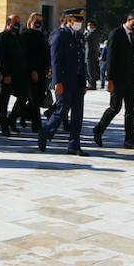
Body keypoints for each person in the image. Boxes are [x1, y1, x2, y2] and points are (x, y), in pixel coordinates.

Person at [38, 8, 90, 156]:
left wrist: (84, 81)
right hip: (65, 80)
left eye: (80, 21)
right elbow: (55, 61)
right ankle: (45, 133)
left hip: (78, 81)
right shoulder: (59, 36)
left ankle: (74, 145)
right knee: (61, 111)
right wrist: (57, 81)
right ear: (69, 21)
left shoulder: (79, 37)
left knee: (78, 115)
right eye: (77, 21)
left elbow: (82, 61)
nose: (79, 24)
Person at [94, 9, 134, 150]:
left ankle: (130, 140)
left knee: (131, 111)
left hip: (131, 79)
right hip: (118, 79)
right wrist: (109, 79)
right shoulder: (116, 33)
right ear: (128, 20)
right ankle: (99, 129)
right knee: (115, 107)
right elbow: (110, 58)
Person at [0, 14, 28, 136]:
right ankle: (4, 127)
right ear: (8, 24)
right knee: (3, 102)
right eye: (15, 23)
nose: (18, 25)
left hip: (19, 74)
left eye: (19, 23)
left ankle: (12, 119)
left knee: (24, 96)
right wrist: (4, 74)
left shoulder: (19, 37)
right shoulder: (2, 37)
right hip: (7, 76)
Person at [20, 12, 50, 133]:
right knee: (33, 98)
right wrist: (32, 70)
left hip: (42, 70)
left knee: (38, 97)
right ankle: (36, 126)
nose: (38, 22)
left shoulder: (42, 35)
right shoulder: (25, 35)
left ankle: (23, 115)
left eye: (40, 20)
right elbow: (27, 54)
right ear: (31, 21)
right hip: (31, 70)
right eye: (36, 20)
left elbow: (45, 53)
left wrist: (47, 68)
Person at [84, 22, 102, 90]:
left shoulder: (92, 33)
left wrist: (85, 33)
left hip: (90, 54)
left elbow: (85, 38)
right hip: (94, 54)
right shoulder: (96, 33)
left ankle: (92, 84)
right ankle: (92, 83)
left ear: (92, 25)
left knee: (90, 70)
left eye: (89, 25)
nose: (88, 26)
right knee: (92, 70)